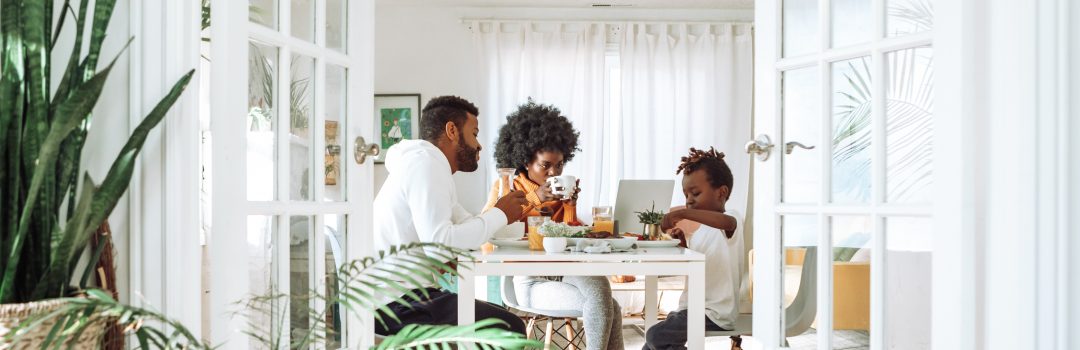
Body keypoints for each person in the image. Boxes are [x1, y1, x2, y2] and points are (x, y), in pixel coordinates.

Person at [372, 95, 528, 336]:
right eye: (474, 133)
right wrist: (501, 213)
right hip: (396, 306)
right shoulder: (426, 165)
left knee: (501, 314)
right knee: (509, 327)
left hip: (403, 299)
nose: (479, 145)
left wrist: (499, 215)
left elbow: (463, 223)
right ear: (452, 130)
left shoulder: (428, 165)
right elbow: (441, 243)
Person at [482, 100, 623, 350]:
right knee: (609, 305)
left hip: (565, 270)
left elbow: (568, 239)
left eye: (559, 165)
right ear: (526, 161)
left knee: (602, 288)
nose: (553, 172)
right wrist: (536, 198)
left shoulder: (560, 193)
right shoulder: (507, 188)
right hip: (529, 278)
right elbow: (488, 235)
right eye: (545, 165)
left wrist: (569, 206)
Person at [642, 147, 745, 350]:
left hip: (715, 312)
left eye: (695, 193)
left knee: (656, 335)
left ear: (722, 193)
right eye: (686, 194)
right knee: (653, 345)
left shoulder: (731, 219)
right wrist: (682, 243)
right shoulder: (701, 232)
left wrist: (683, 214)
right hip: (690, 309)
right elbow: (694, 264)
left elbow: (726, 223)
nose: (688, 200)